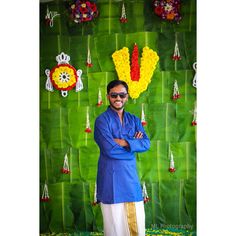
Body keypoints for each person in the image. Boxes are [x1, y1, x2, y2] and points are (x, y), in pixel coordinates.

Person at [94, 79, 150, 236]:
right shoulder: (102, 121)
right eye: (114, 95)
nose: (118, 98)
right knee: (114, 221)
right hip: (110, 175)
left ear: (127, 96)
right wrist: (133, 145)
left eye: (122, 95)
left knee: (136, 218)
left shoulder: (134, 119)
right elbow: (108, 149)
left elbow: (145, 144)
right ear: (108, 96)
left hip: (129, 175)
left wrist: (123, 142)